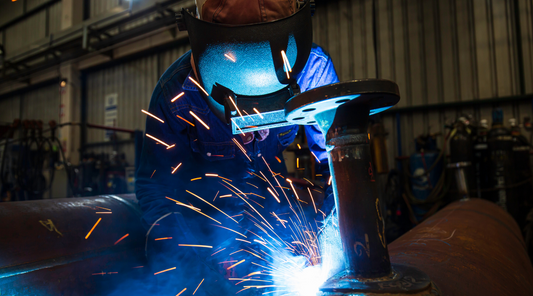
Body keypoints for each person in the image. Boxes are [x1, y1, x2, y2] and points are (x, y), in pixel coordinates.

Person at [135, 0, 339, 295]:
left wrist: (327, 239)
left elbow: (340, 165)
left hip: (275, 220)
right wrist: (190, 266)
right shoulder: (177, 93)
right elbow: (156, 191)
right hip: (205, 226)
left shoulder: (311, 72)